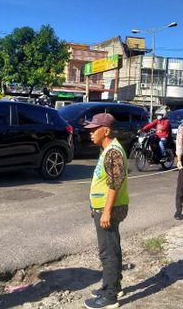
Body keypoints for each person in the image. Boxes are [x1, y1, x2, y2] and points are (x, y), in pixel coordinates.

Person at [83, 113, 129, 309]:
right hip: (103, 207)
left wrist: (106, 211)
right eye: (90, 129)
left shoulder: (113, 152)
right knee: (113, 247)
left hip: (109, 208)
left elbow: (114, 183)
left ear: (106, 130)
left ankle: (110, 296)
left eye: (95, 129)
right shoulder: (108, 150)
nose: (91, 133)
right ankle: (114, 286)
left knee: (107, 251)